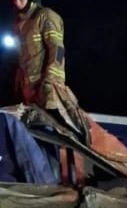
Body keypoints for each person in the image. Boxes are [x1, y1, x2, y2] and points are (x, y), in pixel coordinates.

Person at [10, 0, 86, 136]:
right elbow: (21, 59)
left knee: (50, 135)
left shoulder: (46, 16)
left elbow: (57, 51)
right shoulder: (18, 24)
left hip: (43, 91)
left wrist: (51, 84)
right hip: (27, 94)